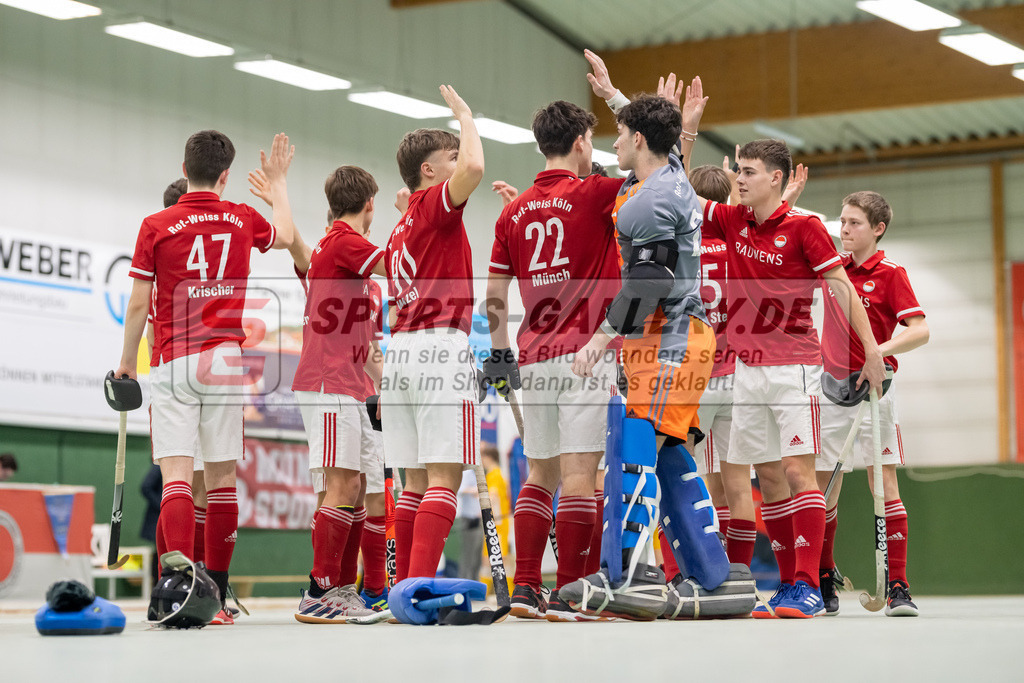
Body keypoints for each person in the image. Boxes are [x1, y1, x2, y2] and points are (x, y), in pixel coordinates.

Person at [115, 130, 296, 623]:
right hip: (223, 359)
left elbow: (137, 304)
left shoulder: (156, 224)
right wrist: (278, 182)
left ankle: (176, 590)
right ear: (225, 175)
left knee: (176, 476)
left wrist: (128, 363)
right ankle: (214, 599)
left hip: (174, 358)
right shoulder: (239, 216)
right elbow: (284, 234)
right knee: (220, 481)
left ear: (184, 165)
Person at [699, 138, 885, 618]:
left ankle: (808, 584)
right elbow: (677, 188)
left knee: (798, 471)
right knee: (764, 475)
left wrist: (870, 351)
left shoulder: (806, 229)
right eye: (738, 170)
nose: (739, 178)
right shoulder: (731, 220)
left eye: (750, 171)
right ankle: (786, 586)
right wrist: (685, 133)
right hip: (746, 372)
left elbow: (844, 293)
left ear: (776, 178)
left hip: (795, 370)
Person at [484, 99, 625, 621]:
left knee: (538, 473)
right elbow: (664, 172)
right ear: (583, 142)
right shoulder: (598, 193)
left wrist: (498, 354)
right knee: (580, 476)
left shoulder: (513, 210)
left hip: (532, 354)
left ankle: (525, 588)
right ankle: (569, 592)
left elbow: (495, 295)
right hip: (587, 353)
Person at [251, 166, 389, 620]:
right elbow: (399, 264)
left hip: (352, 384)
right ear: (370, 204)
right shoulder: (346, 243)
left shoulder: (340, 260)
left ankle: (341, 590)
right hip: (327, 382)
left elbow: (367, 346)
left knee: (359, 484)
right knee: (342, 484)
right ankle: (320, 589)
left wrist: (387, 384)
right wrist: (418, 214)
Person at [382, 85, 484, 582]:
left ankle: (404, 585)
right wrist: (466, 117)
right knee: (445, 477)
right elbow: (475, 170)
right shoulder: (432, 207)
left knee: (414, 484)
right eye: (449, 156)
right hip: (439, 344)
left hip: (401, 350)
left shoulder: (400, 226)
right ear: (430, 170)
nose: (459, 159)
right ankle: (415, 588)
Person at [817, 191, 928, 617]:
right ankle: (825, 577)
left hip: (877, 393)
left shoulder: (891, 273)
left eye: (854, 223)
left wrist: (877, 351)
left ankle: (898, 584)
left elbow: (920, 329)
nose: (844, 230)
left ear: (878, 229)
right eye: (842, 222)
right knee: (825, 489)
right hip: (831, 390)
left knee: (885, 489)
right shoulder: (831, 269)